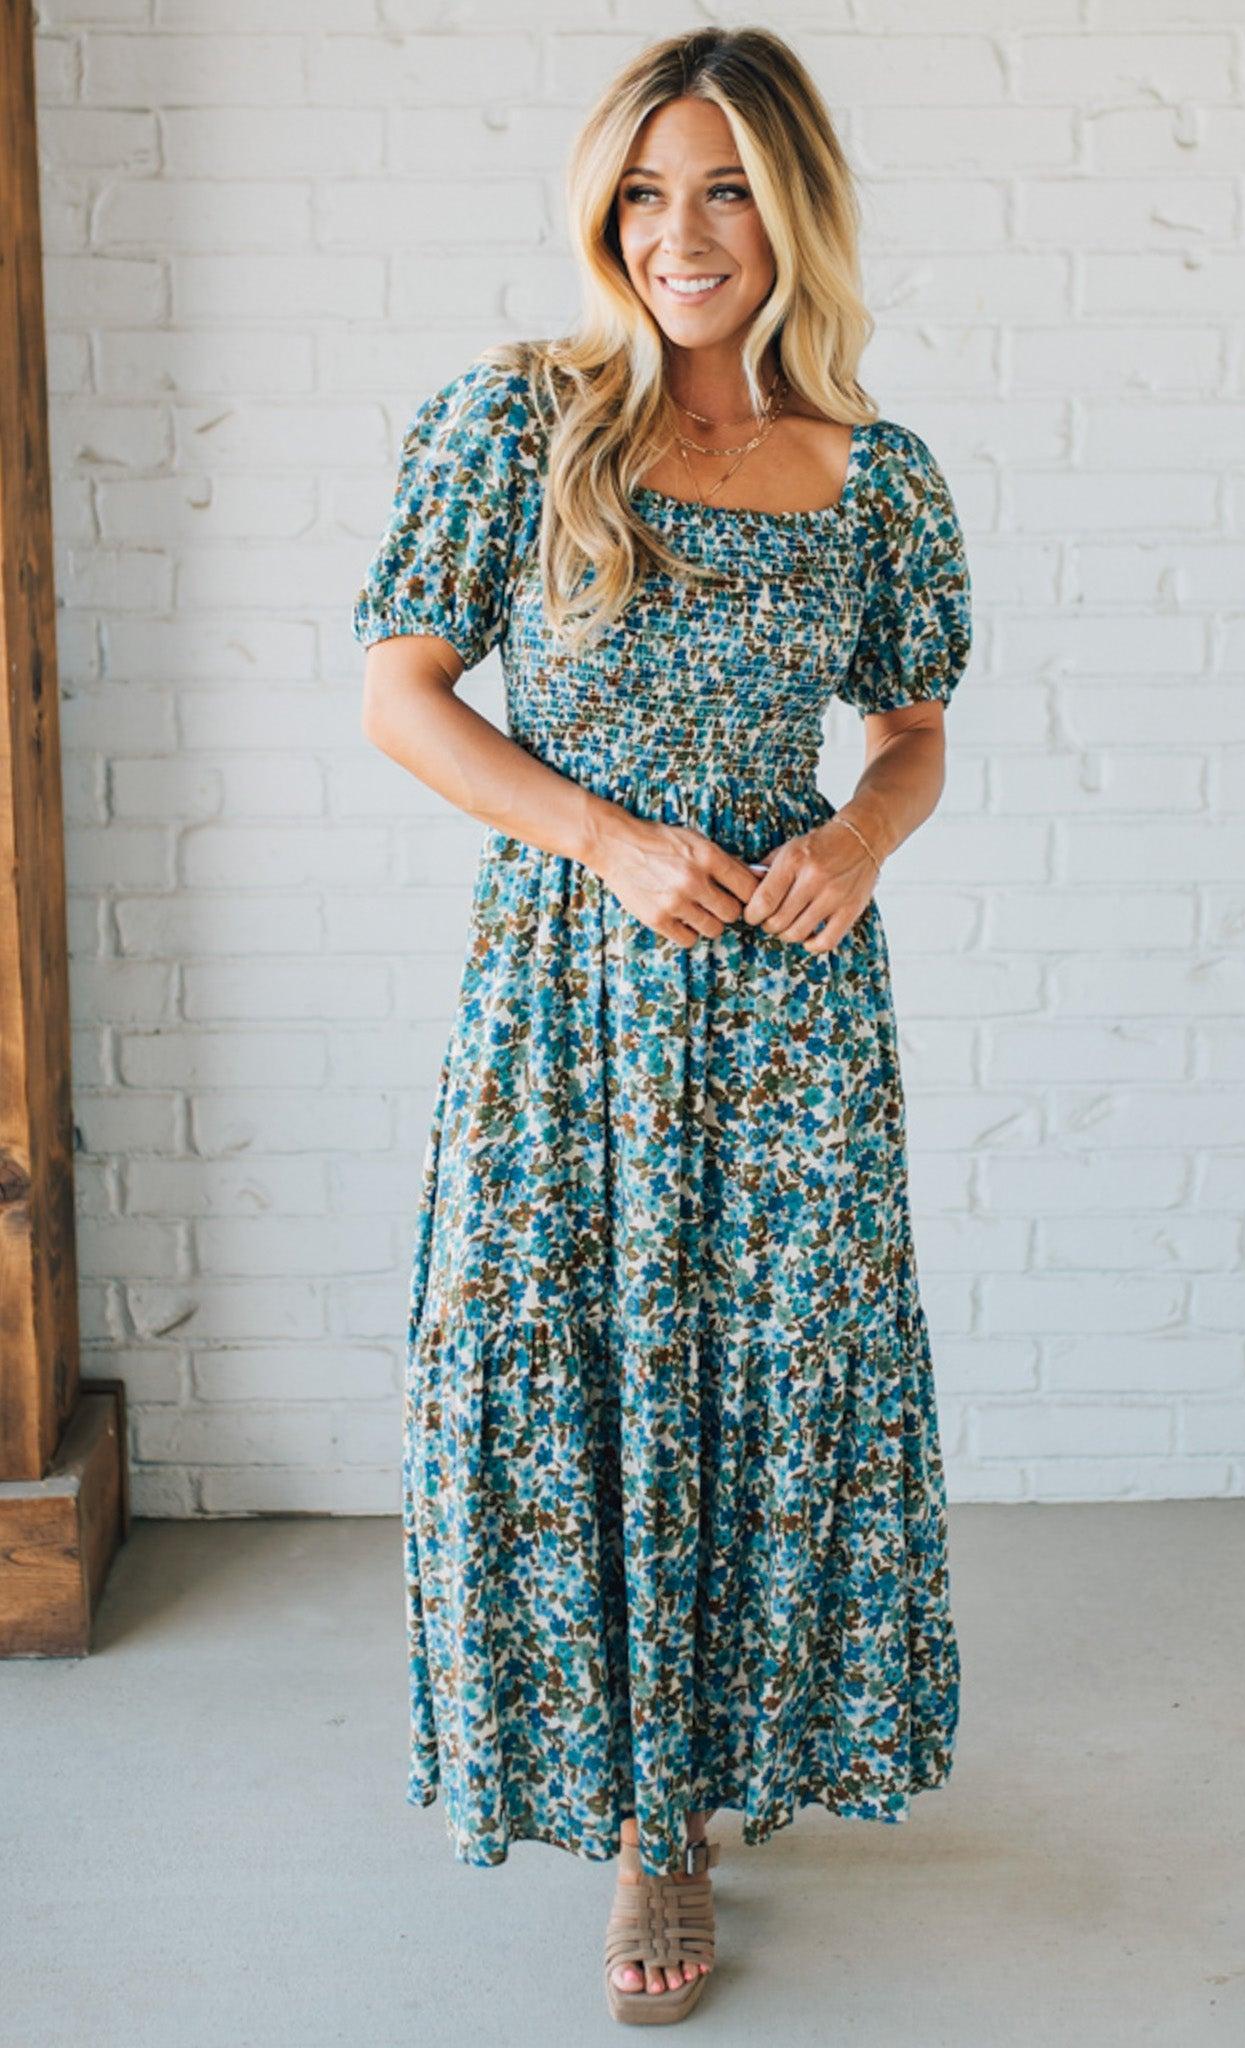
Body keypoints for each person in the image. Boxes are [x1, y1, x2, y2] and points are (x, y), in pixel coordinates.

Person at [351, 24, 970, 2028]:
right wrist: (608, 841)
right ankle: (643, 1824)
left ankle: (712, 1765)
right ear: (599, 211)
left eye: (720, 189)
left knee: (760, 1376)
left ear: (790, 207)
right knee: (557, 1365)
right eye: (642, 190)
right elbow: (403, 693)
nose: (680, 233)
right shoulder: (516, 419)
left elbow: (908, 730)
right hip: (565, 996)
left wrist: (862, 839)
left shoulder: (873, 476)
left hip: (785, 1013)